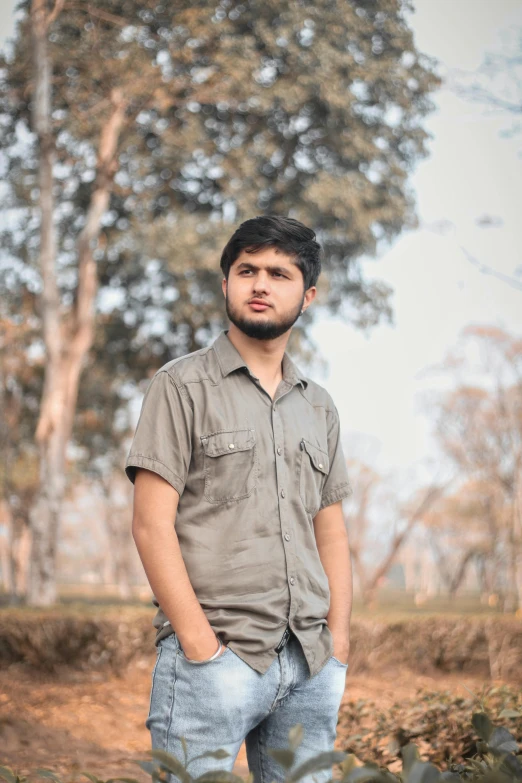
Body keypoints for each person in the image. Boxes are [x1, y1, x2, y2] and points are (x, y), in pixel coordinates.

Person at [125, 215, 353, 783]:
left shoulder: (319, 407)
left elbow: (331, 530)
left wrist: (338, 644)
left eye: (279, 273)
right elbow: (152, 527)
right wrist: (202, 648)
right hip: (214, 663)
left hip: (309, 664)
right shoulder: (179, 387)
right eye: (246, 269)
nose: (260, 284)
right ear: (225, 283)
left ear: (308, 295)